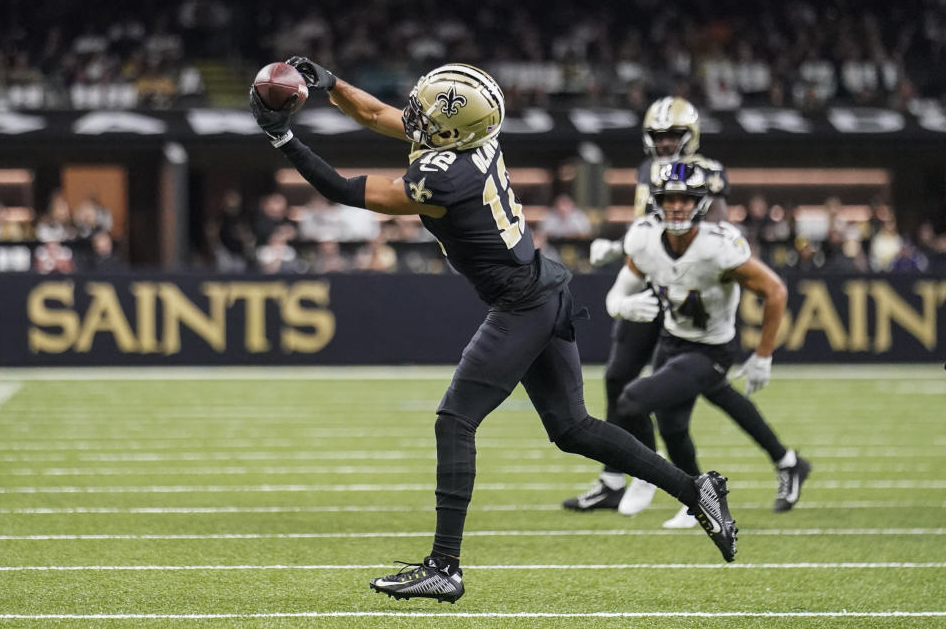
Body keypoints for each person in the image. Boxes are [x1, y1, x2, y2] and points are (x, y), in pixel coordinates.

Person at [249, 59, 738, 604]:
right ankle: (697, 492)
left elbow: (347, 190)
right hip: (541, 286)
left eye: (430, 111)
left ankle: (445, 566)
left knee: (454, 420)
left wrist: (282, 137)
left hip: (521, 303)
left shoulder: (444, 175)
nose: (417, 113)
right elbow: (378, 113)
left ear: (453, 130)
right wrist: (331, 83)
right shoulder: (472, 141)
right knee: (572, 428)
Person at [564, 97, 807, 525]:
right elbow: (654, 228)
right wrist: (620, 250)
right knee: (660, 388)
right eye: (657, 136)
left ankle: (636, 471)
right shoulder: (647, 176)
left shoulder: (707, 177)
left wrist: (763, 351)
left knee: (653, 389)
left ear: (690, 136)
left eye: (672, 135)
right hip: (662, 292)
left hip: (690, 294)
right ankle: (631, 475)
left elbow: (700, 229)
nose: (664, 143)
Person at [605, 161, 811, 527]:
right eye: (669, 198)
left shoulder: (718, 246)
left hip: (710, 349)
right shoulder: (645, 238)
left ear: (700, 202)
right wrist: (622, 304)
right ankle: (762, 472)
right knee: (675, 426)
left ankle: (646, 471)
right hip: (672, 341)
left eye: (685, 198)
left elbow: (775, 291)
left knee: (632, 400)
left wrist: (763, 355)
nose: (677, 206)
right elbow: (617, 292)